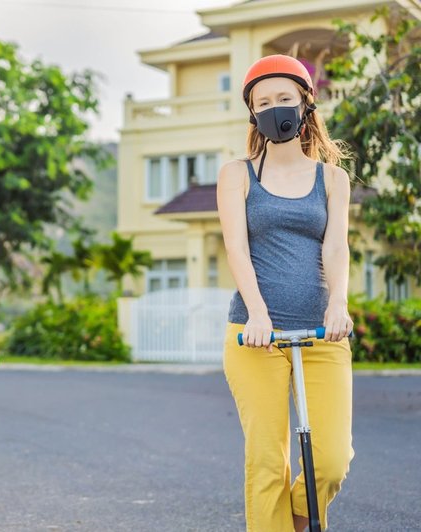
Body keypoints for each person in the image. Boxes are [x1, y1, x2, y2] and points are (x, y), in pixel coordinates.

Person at [216, 55, 355, 532]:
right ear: (253, 115)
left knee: (332, 459)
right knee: (267, 463)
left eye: (285, 99)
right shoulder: (237, 175)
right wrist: (258, 314)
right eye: (264, 102)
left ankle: (298, 517)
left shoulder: (333, 179)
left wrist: (338, 302)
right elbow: (236, 248)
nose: (276, 109)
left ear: (305, 105)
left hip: (322, 334)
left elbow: (337, 246)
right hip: (254, 338)